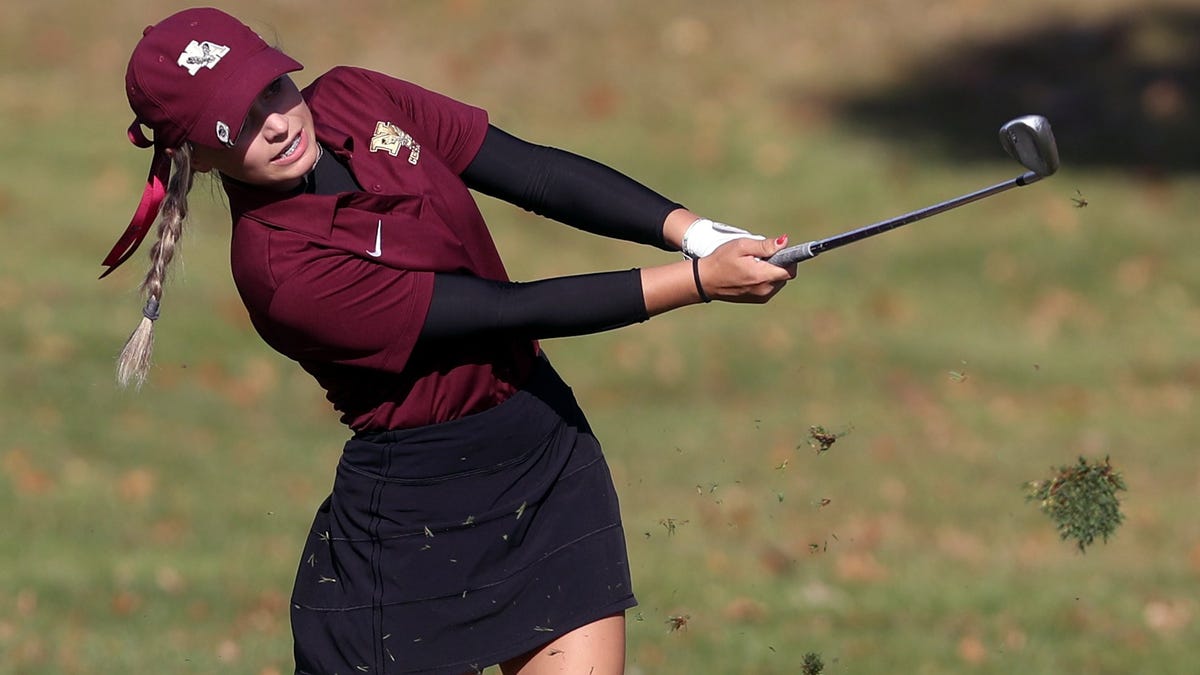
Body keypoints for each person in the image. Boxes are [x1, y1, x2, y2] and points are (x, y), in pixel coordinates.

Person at [106, 7, 795, 675]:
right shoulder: (279, 271)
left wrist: (698, 234)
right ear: (195, 154)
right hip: (412, 532)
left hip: (543, 456)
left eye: (273, 89)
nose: (279, 123)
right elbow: (504, 310)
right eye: (242, 123)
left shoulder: (354, 96)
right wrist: (700, 283)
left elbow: (534, 172)